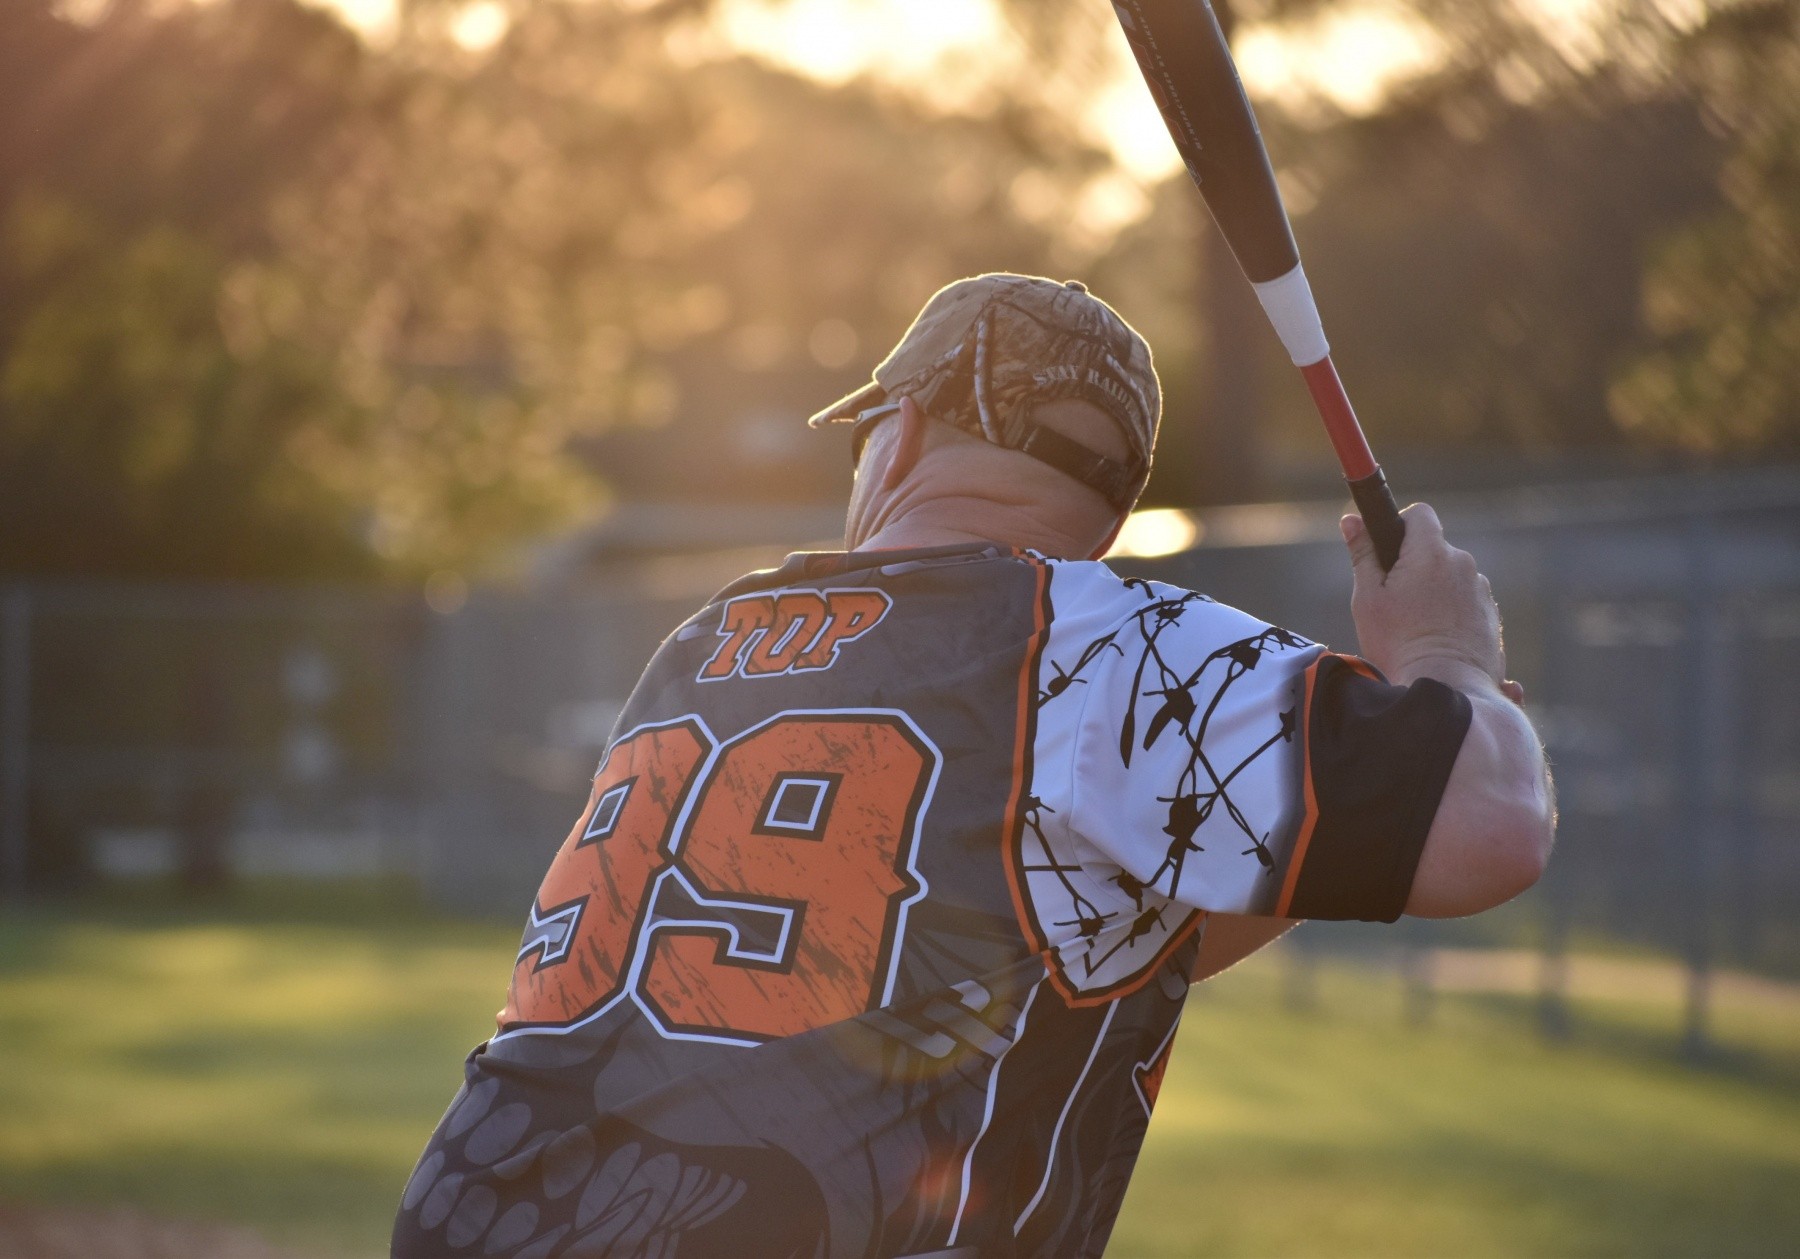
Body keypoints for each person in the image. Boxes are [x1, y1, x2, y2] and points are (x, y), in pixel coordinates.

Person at [391, 273, 1554, 1259]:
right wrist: (1447, 654)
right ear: (1103, 515)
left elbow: (1084, 935)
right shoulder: (1111, 636)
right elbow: (1494, 824)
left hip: (478, 1207)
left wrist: (1334, 813)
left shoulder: (711, 641)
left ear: (896, 434)